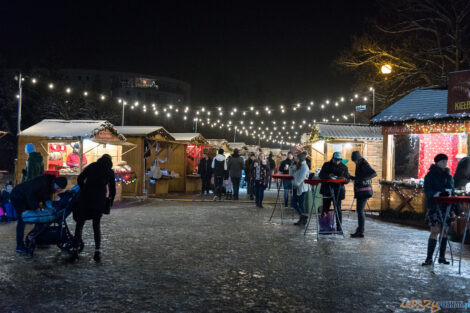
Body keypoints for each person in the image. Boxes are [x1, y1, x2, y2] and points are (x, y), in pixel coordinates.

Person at [73, 154, 116, 262]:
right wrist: (110, 201)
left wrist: (84, 189)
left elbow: (80, 178)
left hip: (85, 198)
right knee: (96, 226)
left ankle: (74, 250)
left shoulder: (92, 166)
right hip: (99, 201)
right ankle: (97, 252)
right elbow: (112, 189)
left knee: (80, 224)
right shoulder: (109, 171)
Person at [10, 175, 68, 253]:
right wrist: (36, 208)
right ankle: (19, 246)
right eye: (57, 188)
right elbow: (30, 194)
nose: (57, 190)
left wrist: (50, 207)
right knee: (22, 220)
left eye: (59, 189)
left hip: (28, 199)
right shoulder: (41, 182)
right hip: (18, 196)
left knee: (40, 219)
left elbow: (45, 198)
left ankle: (38, 240)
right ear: (54, 182)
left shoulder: (51, 186)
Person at [422, 154, 455, 266]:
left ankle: (441, 257)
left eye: (446, 161)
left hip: (446, 206)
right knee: (434, 231)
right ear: (437, 162)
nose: (445, 163)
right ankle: (429, 258)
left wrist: (449, 193)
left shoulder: (448, 176)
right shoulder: (430, 175)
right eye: (443, 161)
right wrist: (438, 193)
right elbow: (427, 190)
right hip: (435, 207)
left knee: (444, 232)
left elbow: (452, 189)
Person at [319, 152, 350, 232]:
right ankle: (324, 227)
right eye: (336, 160)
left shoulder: (344, 167)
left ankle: (339, 228)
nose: (337, 161)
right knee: (325, 208)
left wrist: (343, 179)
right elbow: (321, 175)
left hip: (338, 191)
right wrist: (328, 175)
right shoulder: (326, 165)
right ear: (332, 158)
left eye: (339, 160)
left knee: (338, 209)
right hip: (327, 189)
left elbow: (347, 179)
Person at [350, 151, 377, 238]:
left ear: (358, 158)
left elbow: (374, 173)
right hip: (361, 191)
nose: (354, 162)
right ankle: (359, 230)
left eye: (355, 160)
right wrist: (351, 177)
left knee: (360, 211)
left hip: (364, 191)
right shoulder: (360, 164)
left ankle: (360, 231)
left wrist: (362, 179)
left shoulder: (364, 164)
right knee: (359, 211)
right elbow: (359, 177)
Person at [292, 152, 310, 225]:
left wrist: (296, 184)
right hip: (296, 187)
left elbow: (301, 177)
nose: (295, 159)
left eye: (297, 158)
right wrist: (291, 166)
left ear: (300, 159)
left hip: (301, 187)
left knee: (300, 204)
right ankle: (302, 217)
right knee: (294, 203)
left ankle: (302, 218)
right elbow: (292, 174)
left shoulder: (304, 167)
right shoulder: (299, 166)